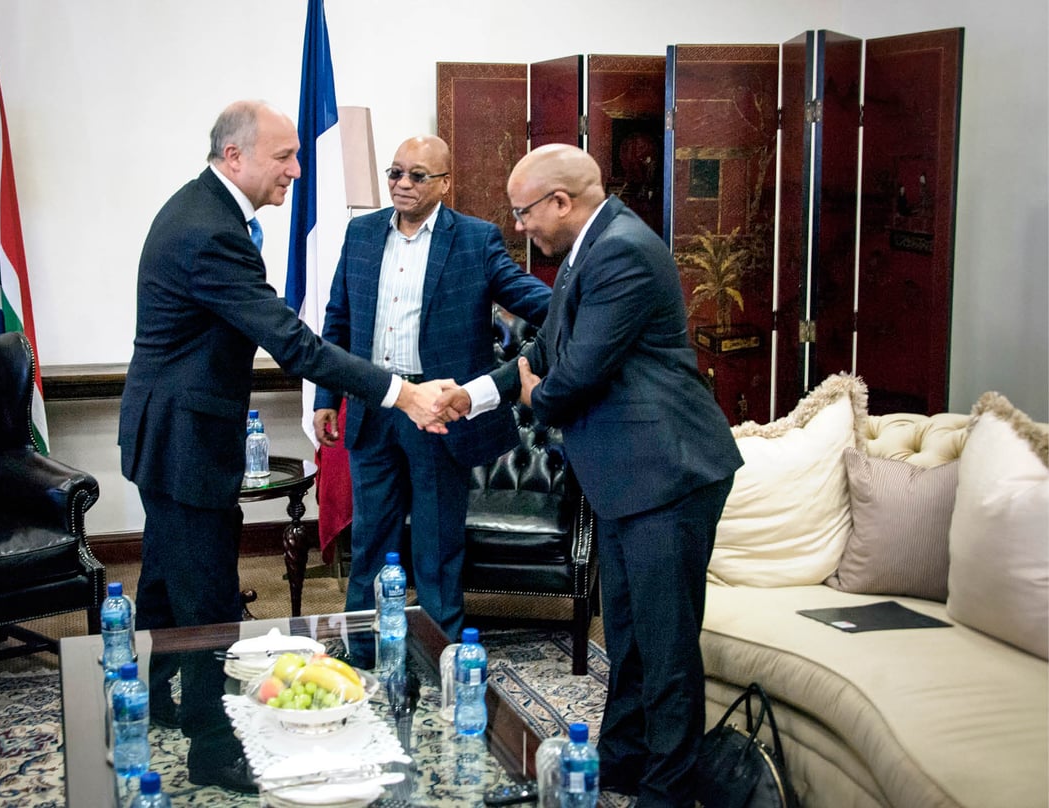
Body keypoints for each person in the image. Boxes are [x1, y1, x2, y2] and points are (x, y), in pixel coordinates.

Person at [117, 101, 450, 793]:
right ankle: (213, 748)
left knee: (163, 578)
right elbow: (292, 341)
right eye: (284, 156)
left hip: (169, 430)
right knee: (205, 597)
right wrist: (398, 391)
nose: (298, 170)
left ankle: (148, 701)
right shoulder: (210, 229)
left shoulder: (206, 211)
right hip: (183, 439)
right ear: (234, 156)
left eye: (299, 155)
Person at [432, 144, 743, 807]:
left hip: (669, 473)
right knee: (627, 636)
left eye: (522, 213)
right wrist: (473, 395)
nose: (519, 227)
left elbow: (570, 378)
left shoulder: (623, 251)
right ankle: (623, 765)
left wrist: (533, 391)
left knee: (664, 648)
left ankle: (667, 792)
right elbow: (539, 353)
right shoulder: (585, 252)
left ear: (560, 202)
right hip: (627, 476)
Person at [312, 135, 552, 643]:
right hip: (372, 404)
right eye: (395, 173)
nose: (401, 184)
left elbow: (528, 296)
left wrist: (585, 304)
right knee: (369, 537)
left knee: (437, 542)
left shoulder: (474, 239)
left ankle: (439, 647)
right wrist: (326, 399)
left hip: (437, 410)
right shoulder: (360, 234)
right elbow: (338, 320)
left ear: (445, 183)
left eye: (416, 176)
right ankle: (361, 645)